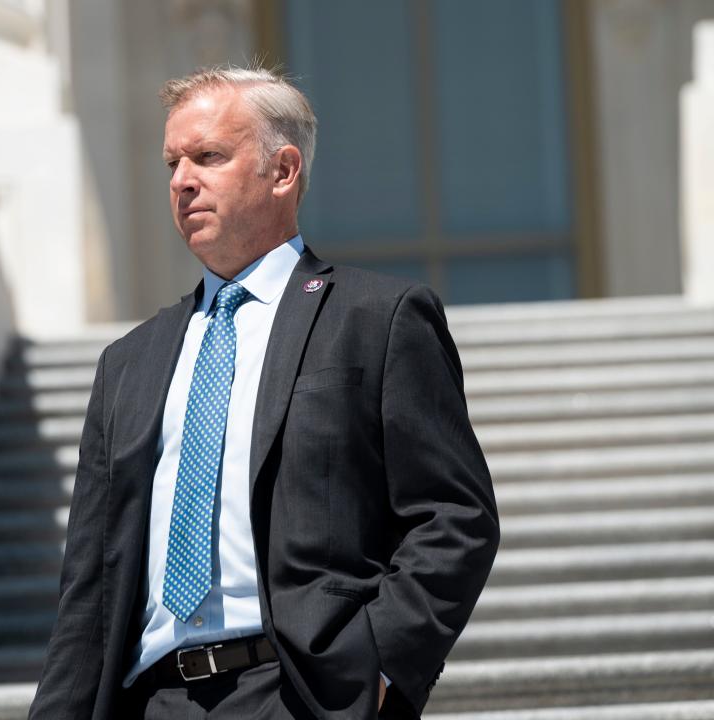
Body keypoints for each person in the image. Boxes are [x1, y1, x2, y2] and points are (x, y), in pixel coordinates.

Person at [28, 66, 499, 720]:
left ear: (282, 172)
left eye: (209, 157)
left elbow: (455, 518)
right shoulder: (127, 365)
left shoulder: (376, 320)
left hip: (300, 693)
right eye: (172, 162)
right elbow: (90, 590)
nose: (182, 180)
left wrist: (381, 669)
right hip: (151, 701)